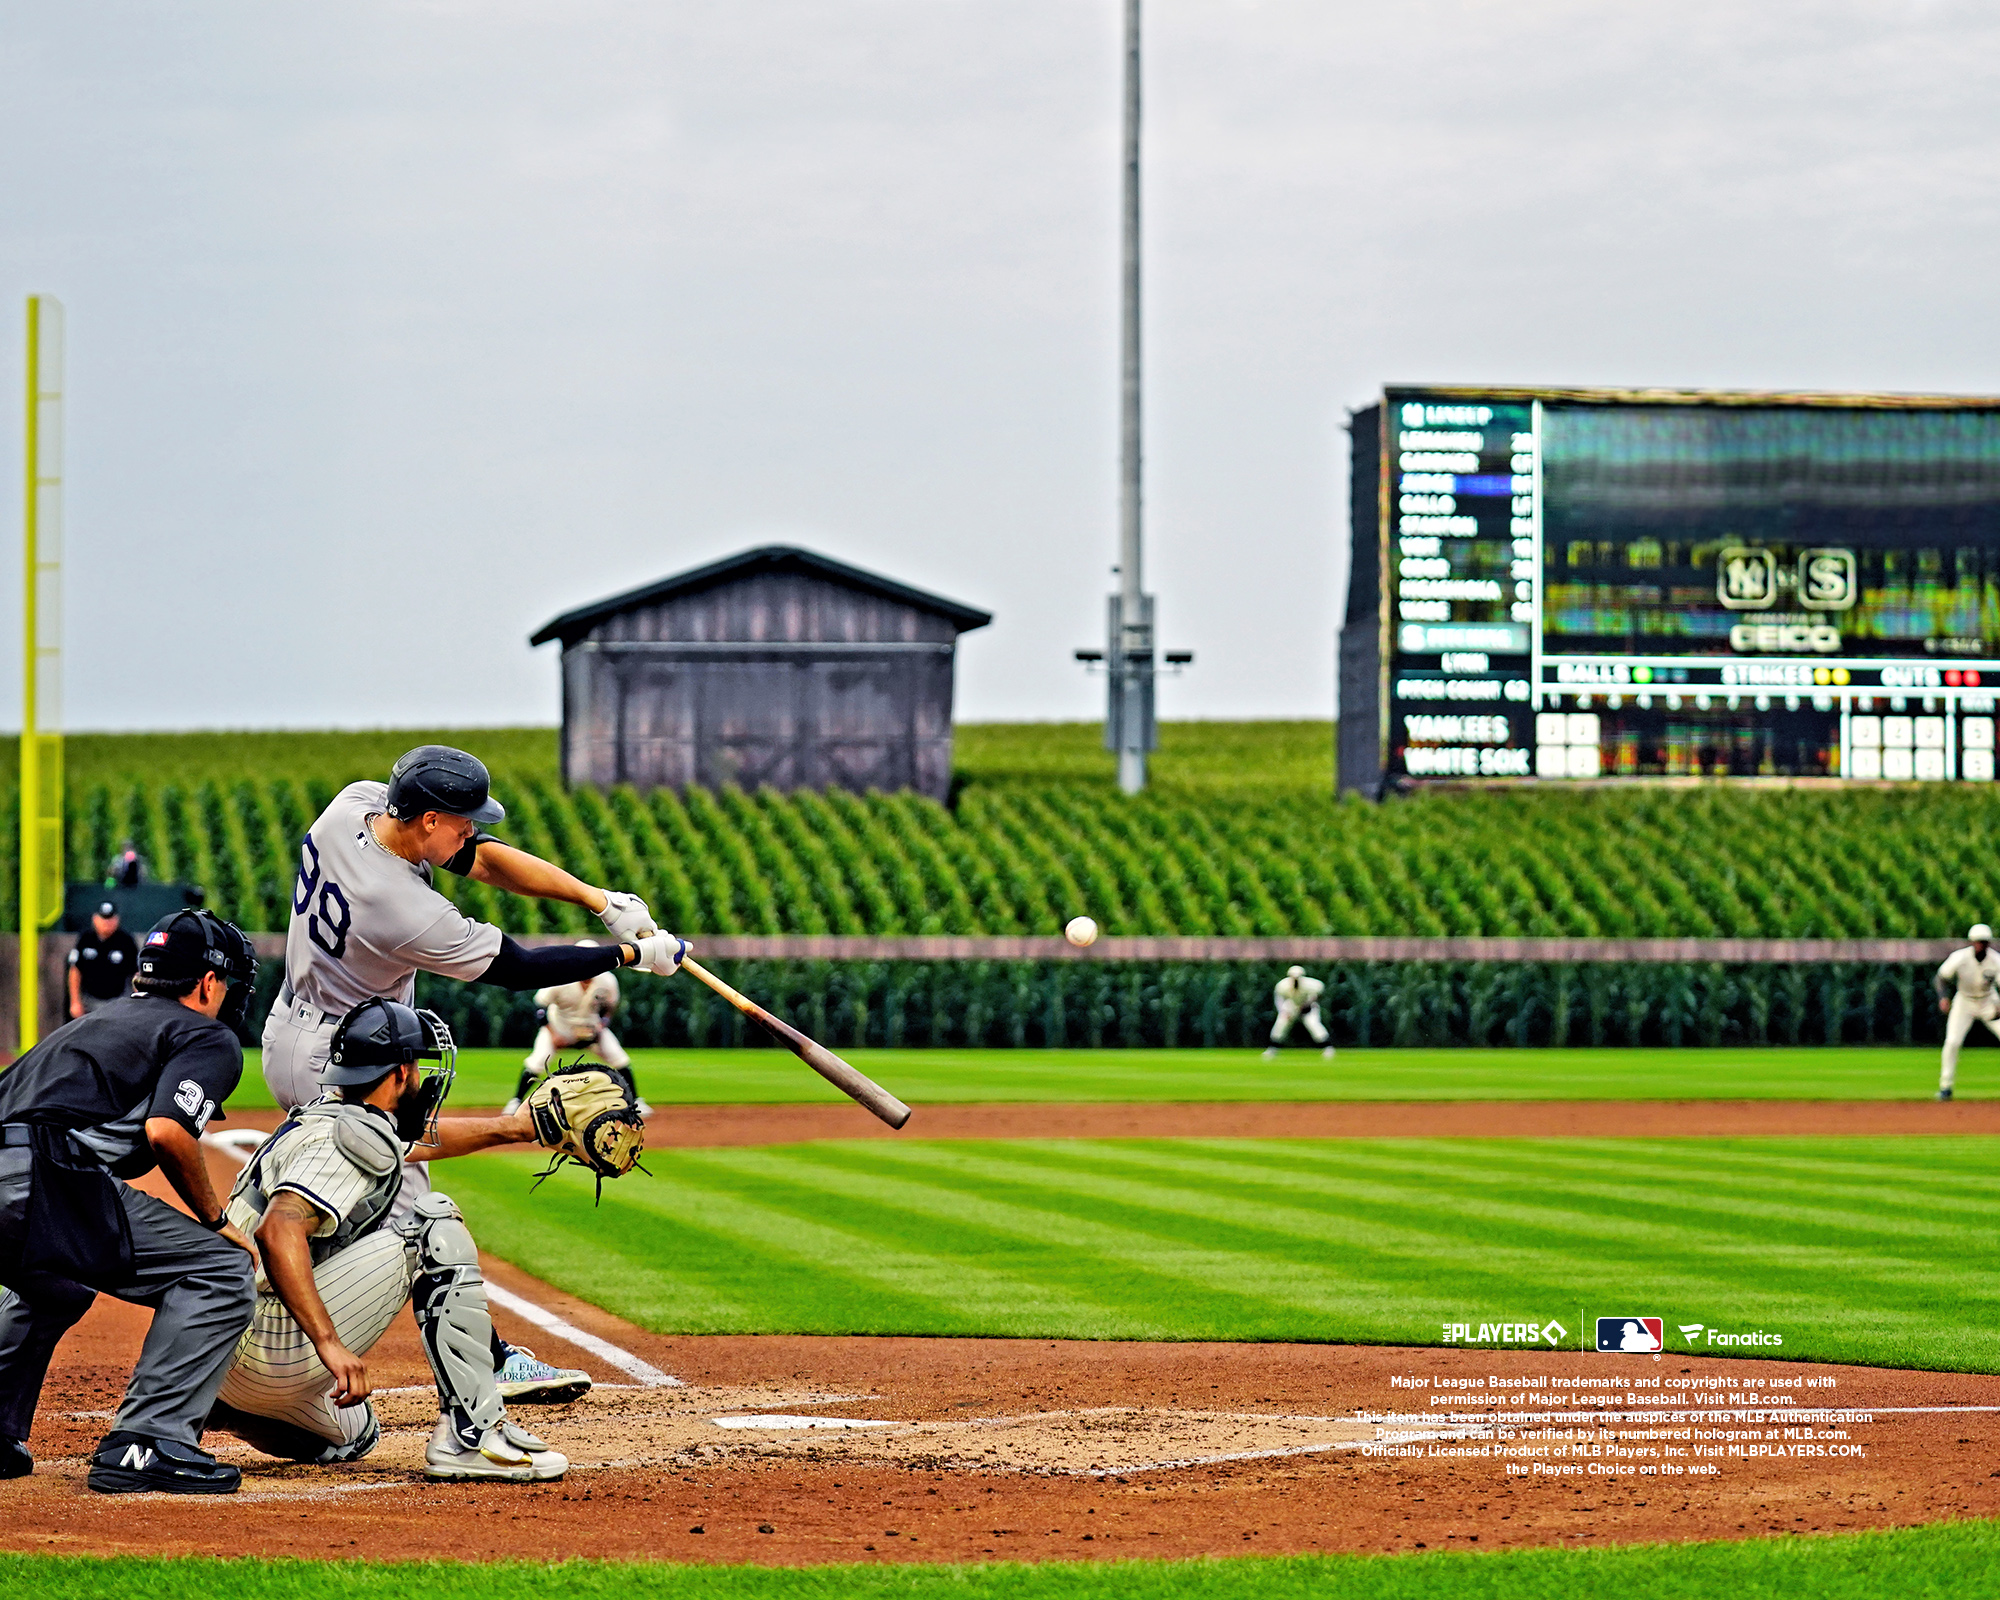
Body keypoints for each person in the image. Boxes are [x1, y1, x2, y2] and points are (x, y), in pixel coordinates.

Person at [260, 743, 685, 1401]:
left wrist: (598, 900)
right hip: (340, 1061)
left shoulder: (356, 805)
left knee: (363, 1201)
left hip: (304, 1027)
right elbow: (513, 968)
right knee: (413, 1214)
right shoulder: (399, 906)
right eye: (460, 818)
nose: (471, 829)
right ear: (427, 818)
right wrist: (629, 953)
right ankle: (470, 1370)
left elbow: (481, 857)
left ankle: (478, 1356)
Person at [209, 999, 568, 1480]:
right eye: (417, 1065)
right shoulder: (348, 1139)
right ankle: (470, 1436)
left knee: (357, 1434)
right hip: (267, 1345)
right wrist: (330, 1345)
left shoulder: (336, 1114)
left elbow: (414, 1141)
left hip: (217, 1352)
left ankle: (234, 1410)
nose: (421, 1076)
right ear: (400, 1072)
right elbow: (279, 1229)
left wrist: (516, 1128)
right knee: (429, 1226)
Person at [0, 910, 260, 1494]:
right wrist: (215, 1220)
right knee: (219, 1268)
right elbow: (168, 1132)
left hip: (17, 1172)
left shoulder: (98, 1020)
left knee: (56, 1285)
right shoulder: (205, 1033)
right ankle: (148, 1440)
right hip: (41, 1177)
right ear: (208, 982)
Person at [503, 941, 644, 1116]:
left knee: (618, 1056)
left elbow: (610, 1007)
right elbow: (540, 1006)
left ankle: (636, 1101)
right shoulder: (561, 976)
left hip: (591, 1028)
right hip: (559, 1028)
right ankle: (516, 1101)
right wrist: (552, 1033)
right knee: (538, 1061)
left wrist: (601, 1025)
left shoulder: (607, 980)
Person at [1936, 922, 2000, 1101]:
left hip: (1988, 1001)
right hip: (1964, 1001)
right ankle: (1945, 1087)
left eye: (1984, 941)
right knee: (1952, 1042)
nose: (1981, 945)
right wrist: (1943, 997)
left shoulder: (1996, 960)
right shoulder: (1960, 957)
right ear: (1972, 942)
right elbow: (1941, 977)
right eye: (1978, 941)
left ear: (1989, 943)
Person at [68, 901, 139, 1018]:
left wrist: (138, 1000)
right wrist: (75, 1002)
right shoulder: (86, 939)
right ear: (95, 919)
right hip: (89, 1000)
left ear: (117, 920)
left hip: (118, 1000)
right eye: (103, 919)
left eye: (110, 919)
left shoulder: (126, 941)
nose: (107, 923)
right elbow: (75, 971)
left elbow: (136, 973)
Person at [1263, 965, 1335, 1061]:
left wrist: (1308, 1004)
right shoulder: (1282, 985)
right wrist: (1283, 1011)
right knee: (1281, 1024)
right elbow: (1279, 999)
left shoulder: (1312, 984)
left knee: (1314, 1024)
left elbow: (1318, 993)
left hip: (1307, 1005)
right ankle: (1273, 1049)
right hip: (1291, 1005)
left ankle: (1328, 1048)